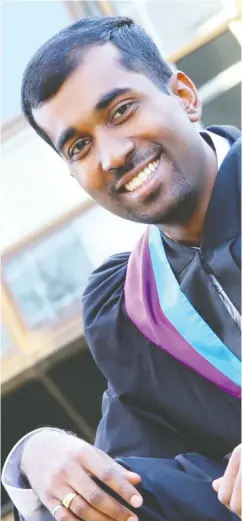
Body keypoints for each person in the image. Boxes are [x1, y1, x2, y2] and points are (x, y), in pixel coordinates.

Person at [2, 15, 241, 521]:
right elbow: (134, 480)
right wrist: (39, 456)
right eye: (79, 147)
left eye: (121, 110)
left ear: (184, 95)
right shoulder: (132, 303)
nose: (112, 155)